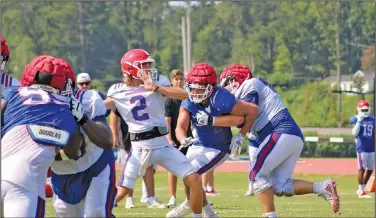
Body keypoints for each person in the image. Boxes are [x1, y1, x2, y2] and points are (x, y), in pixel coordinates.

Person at [216, 64, 340, 217]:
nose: (227, 87)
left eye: (228, 82)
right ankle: (323, 187)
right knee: (280, 186)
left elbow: (243, 117)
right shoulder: (254, 87)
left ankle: (270, 216)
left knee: (256, 174)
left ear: (239, 78)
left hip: (280, 131)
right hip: (289, 135)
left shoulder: (250, 84)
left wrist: (216, 119)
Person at [105, 48, 204, 217]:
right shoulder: (117, 90)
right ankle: (97, 212)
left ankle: (198, 216)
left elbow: (184, 94)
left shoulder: (159, 82)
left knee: (194, 179)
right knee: (122, 191)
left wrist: (157, 88)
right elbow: (104, 106)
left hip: (162, 145)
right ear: (131, 69)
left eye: (149, 65)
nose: (148, 69)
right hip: (139, 148)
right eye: (144, 65)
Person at [167, 62, 259, 218]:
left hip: (218, 147)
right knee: (185, 171)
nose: (195, 92)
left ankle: (195, 211)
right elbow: (179, 127)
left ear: (210, 87)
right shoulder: (189, 99)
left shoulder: (221, 97)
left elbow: (250, 112)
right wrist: (182, 139)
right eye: (192, 87)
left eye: (199, 88)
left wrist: (240, 134)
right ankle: (207, 212)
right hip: (199, 144)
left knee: (191, 174)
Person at [1, 55, 82, 217]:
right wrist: (80, 118)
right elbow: (74, 151)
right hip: (26, 181)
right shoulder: (63, 107)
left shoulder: (12, 93)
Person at [109, 93, 163, 209]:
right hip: (127, 137)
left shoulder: (146, 91)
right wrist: (114, 134)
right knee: (129, 170)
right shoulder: (123, 92)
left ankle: (150, 198)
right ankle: (129, 199)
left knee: (148, 165)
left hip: (143, 136)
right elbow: (114, 114)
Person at [164, 69, 193, 207]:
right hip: (175, 139)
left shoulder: (189, 96)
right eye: (176, 79)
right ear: (171, 81)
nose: (179, 81)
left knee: (191, 168)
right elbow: (167, 122)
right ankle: (172, 197)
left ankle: (191, 197)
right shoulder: (169, 99)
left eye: (181, 79)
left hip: (189, 137)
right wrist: (169, 139)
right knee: (173, 169)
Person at [350, 100, 375, 198]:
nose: (365, 111)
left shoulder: (373, 119)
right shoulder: (355, 118)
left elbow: (374, 134)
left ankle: (362, 189)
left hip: (371, 147)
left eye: (366, 109)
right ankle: (361, 191)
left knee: (370, 169)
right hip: (362, 147)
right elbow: (354, 133)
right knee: (362, 169)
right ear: (359, 109)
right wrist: (359, 121)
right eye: (363, 109)